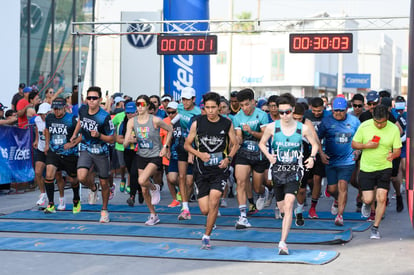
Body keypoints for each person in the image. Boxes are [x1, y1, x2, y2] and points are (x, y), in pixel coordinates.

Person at [259, 93, 318, 255]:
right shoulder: (272, 127)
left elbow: (314, 144)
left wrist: (312, 158)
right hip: (278, 171)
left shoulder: (302, 128)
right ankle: (279, 207)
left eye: (288, 112)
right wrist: (269, 156)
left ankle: (282, 242)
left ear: (293, 110)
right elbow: (262, 144)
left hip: (294, 170)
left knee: (290, 204)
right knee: (283, 208)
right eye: (281, 112)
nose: (285, 116)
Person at [184, 92, 239, 249]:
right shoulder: (198, 123)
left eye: (213, 108)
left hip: (219, 170)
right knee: (205, 210)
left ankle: (206, 236)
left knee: (214, 201)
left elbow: (235, 144)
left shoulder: (226, 123)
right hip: (201, 170)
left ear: (219, 108)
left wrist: (228, 158)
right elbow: (187, 144)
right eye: (207, 108)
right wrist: (199, 154)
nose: (210, 111)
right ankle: (209, 223)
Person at [352, 104, 402, 239]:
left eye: (382, 122)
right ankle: (366, 203)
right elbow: (354, 144)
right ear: (373, 118)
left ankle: (375, 227)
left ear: (387, 118)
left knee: (382, 197)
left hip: (385, 167)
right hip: (367, 167)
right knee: (368, 198)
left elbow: (398, 149)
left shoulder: (393, 129)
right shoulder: (365, 126)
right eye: (377, 122)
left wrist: (393, 155)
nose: (379, 125)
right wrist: (365, 145)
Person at [123, 95, 173, 225]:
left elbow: (170, 130)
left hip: (155, 155)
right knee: (144, 189)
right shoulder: (132, 122)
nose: (139, 107)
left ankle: (155, 188)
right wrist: (129, 140)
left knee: (141, 180)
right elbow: (125, 144)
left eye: (142, 104)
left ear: (148, 106)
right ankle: (153, 214)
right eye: (137, 104)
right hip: (141, 155)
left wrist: (165, 147)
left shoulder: (155, 120)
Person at [71, 86, 115, 223]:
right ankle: (93, 187)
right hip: (86, 147)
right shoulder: (83, 110)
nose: (91, 101)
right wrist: (74, 134)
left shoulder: (104, 117)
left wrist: (99, 135)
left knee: (104, 182)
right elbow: (80, 121)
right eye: (89, 98)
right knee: (81, 176)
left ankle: (104, 210)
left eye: (94, 98)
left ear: (100, 100)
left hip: (101, 151)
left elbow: (112, 138)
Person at [318, 97, 360, 226]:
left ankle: (340, 216)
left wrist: (358, 151)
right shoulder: (326, 122)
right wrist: (321, 154)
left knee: (343, 186)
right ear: (332, 109)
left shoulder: (354, 121)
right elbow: (316, 139)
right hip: (331, 161)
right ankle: (336, 200)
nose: (338, 113)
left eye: (341, 111)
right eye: (336, 110)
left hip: (347, 161)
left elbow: (360, 138)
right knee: (331, 189)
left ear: (347, 110)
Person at [232, 88, 269, 229]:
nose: (244, 108)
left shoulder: (262, 115)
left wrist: (252, 131)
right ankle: (242, 216)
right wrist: (237, 139)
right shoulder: (237, 117)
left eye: (247, 104)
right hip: (243, 154)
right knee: (240, 182)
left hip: (259, 154)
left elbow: (265, 137)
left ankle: (263, 192)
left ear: (253, 102)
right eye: (241, 105)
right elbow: (239, 136)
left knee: (257, 187)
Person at [44, 98, 82, 214]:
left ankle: (76, 200)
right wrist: (46, 144)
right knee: (49, 175)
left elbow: (82, 135)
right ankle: (51, 204)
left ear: (65, 107)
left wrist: (72, 144)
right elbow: (46, 130)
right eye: (54, 109)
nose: (56, 111)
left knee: (73, 179)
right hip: (54, 151)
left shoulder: (72, 119)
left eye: (58, 109)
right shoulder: (49, 117)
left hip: (69, 154)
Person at [304, 97, 331, 218]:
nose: (316, 113)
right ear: (310, 108)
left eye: (319, 111)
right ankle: (315, 190)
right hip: (307, 151)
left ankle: (312, 208)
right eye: (314, 111)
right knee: (309, 180)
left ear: (323, 107)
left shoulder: (329, 116)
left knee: (317, 178)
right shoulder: (305, 115)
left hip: (323, 150)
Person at [176, 87, 201, 220]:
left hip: (194, 147)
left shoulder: (198, 113)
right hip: (182, 145)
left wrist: (193, 151)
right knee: (181, 177)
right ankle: (185, 207)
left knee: (190, 181)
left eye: (188, 100)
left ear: (193, 99)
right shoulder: (179, 107)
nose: (185, 102)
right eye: (183, 99)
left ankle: (192, 197)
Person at [116, 101, 143, 206]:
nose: (130, 115)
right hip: (127, 151)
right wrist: (128, 140)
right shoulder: (123, 124)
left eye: (132, 112)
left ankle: (132, 196)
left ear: (137, 112)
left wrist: (138, 139)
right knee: (132, 173)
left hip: (139, 152)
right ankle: (140, 190)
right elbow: (118, 139)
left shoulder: (142, 122)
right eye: (128, 113)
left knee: (134, 173)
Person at [33, 103, 51, 206]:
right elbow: (37, 129)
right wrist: (36, 139)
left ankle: (52, 197)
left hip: (51, 150)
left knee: (51, 175)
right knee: (38, 172)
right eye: (41, 114)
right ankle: (42, 193)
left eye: (44, 114)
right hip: (41, 148)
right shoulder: (37, 120)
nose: (42, 116)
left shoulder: (52, 120)